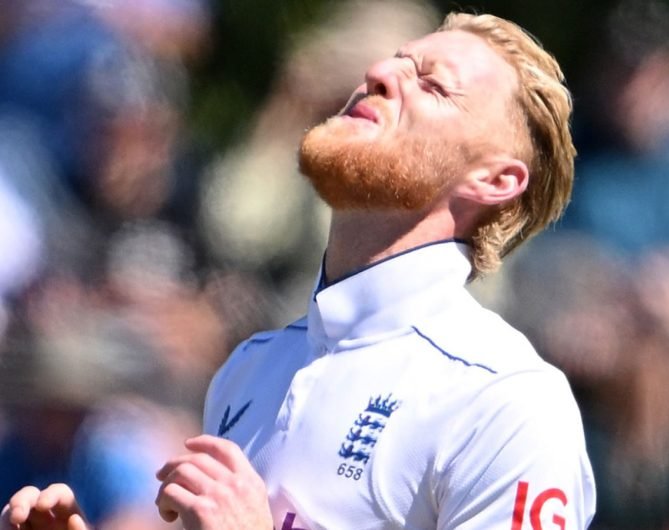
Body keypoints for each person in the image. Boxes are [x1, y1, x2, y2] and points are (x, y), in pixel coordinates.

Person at [1, 11, 596, 530]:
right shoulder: (250, 369)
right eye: (394, 62)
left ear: (494, 180)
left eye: (434, 87)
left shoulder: (506, 400)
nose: (380, 74)